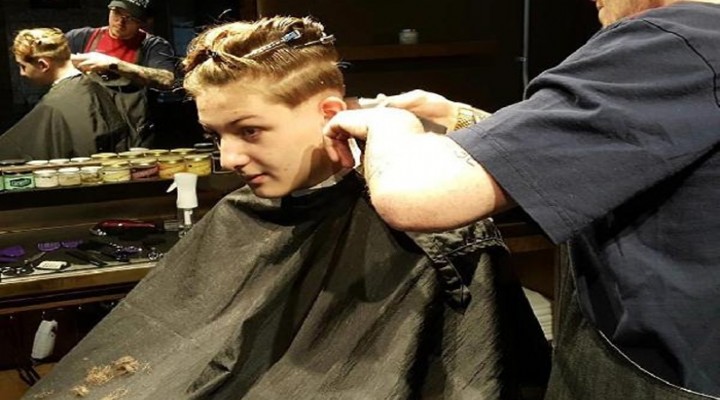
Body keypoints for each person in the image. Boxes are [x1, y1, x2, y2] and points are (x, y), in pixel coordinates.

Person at [21, 17, 550, 399]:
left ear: (330, 113)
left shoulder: (434, 234)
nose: (230, 157)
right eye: (216, 136)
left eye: (250, 131)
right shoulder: (240, 215)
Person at [324, 0, 720, 399]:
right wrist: (454, 116)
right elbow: (579, 152)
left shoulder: (677, 41)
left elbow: (414, 194)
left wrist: (392, 124)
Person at [0, 28, 128, 160]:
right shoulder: (96, 86)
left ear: (43, 65)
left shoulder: (52, 106)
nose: (22, 73)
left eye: (23, 66)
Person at [65, 0, 176, 148]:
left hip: (132, 131)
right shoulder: (80, 37)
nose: (120, 22)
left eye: (130, 18)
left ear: (142, 22)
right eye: (116, 13)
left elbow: (167, 79)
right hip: (86, 126)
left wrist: (114, 64)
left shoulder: (153, 45)